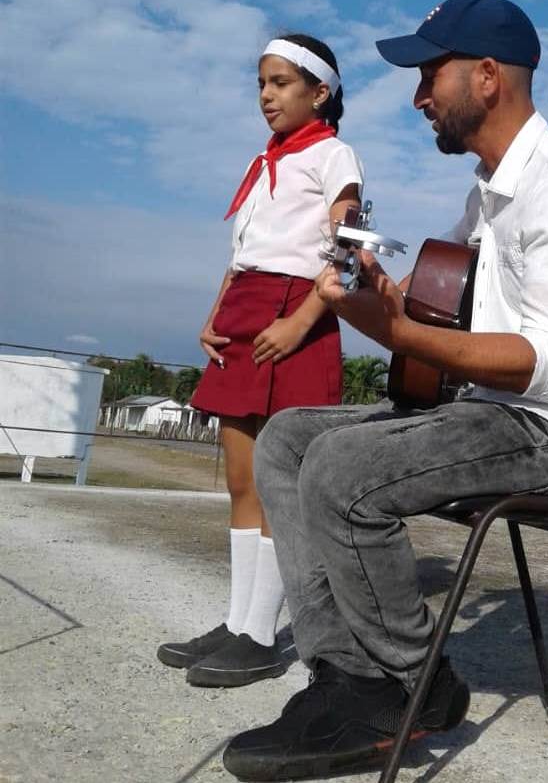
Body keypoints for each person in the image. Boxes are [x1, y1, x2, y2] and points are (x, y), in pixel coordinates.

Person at [223, 0, 548, 781]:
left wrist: (398, 332)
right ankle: (346, 675)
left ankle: (412, 686)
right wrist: (377, 290)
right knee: (289, 440)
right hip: (501, 415)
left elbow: (543, 361)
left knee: (345, 471)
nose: (419, 97)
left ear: (488, 77)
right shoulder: (488, 191)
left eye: (430, 76)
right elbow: (433, 290)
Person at [156, 34, 363, 687]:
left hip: (295, 313)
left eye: (280, 83)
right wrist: (215, 316)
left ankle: (261, 633)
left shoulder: (333, 153)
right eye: (261, 84)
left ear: (319, 93)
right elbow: (243, 252)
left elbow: (349, 243)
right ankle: (239, 621)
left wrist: (301, 322)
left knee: (278, 485)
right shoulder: (263, 160)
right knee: (241, 481)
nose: (266, 95)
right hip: (245, 312)